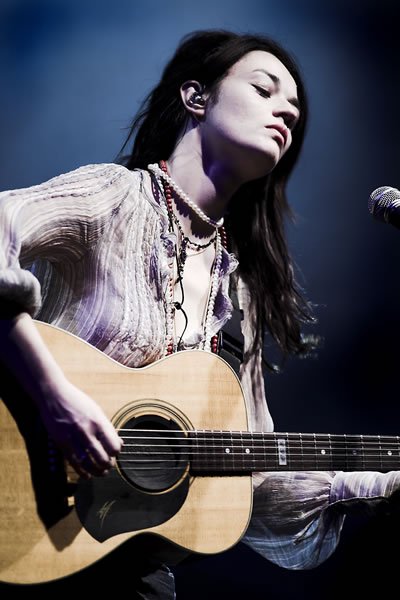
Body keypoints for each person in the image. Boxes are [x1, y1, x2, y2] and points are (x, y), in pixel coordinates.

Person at [1, 29, 400, 598]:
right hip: (28, 521)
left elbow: (250, 475)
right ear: (196, 97)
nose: (286, 114)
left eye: (294, 112)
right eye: (264, 89)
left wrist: (371, 485)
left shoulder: (241, 295)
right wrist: (54, 397)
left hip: (133, 574)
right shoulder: (115, 198)